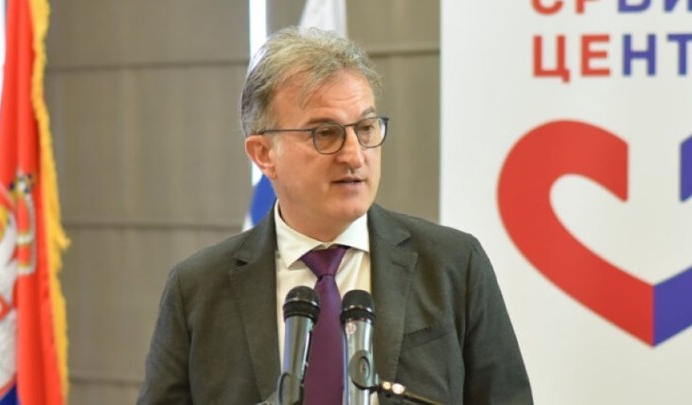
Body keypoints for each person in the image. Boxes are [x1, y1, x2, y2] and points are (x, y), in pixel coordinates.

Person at [138, 26, 533, 404]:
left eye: (365, 128)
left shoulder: (453, 265)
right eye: (324, 133)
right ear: (264, 154)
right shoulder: (197, 289)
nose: (354, 155)